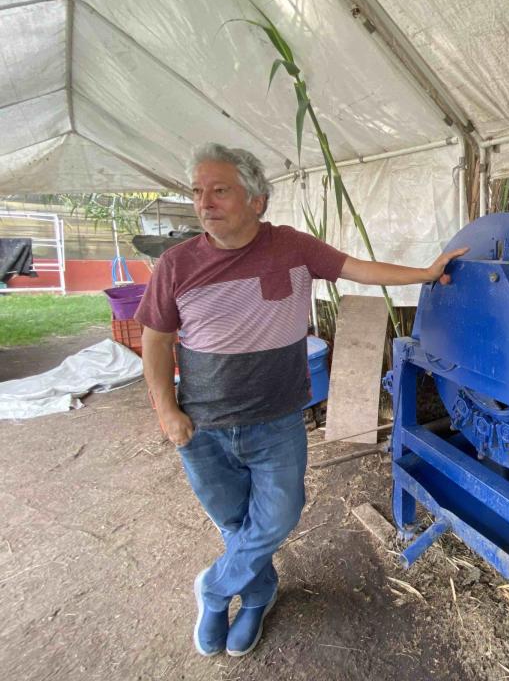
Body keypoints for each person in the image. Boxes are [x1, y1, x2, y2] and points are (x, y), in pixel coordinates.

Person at [135, 143, 466, 657]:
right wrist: (165, 410)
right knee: (236, 524)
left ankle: (215, 587)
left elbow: (361, 269)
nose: (204, 202)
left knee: (279, 516)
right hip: (204, 427)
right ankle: (259, 593)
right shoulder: (177, 264)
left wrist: (425, 273)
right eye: (198, 191)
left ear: (257, 200)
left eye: (219, 190)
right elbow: (155, 340)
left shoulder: (292, 248)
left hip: (276, 423)